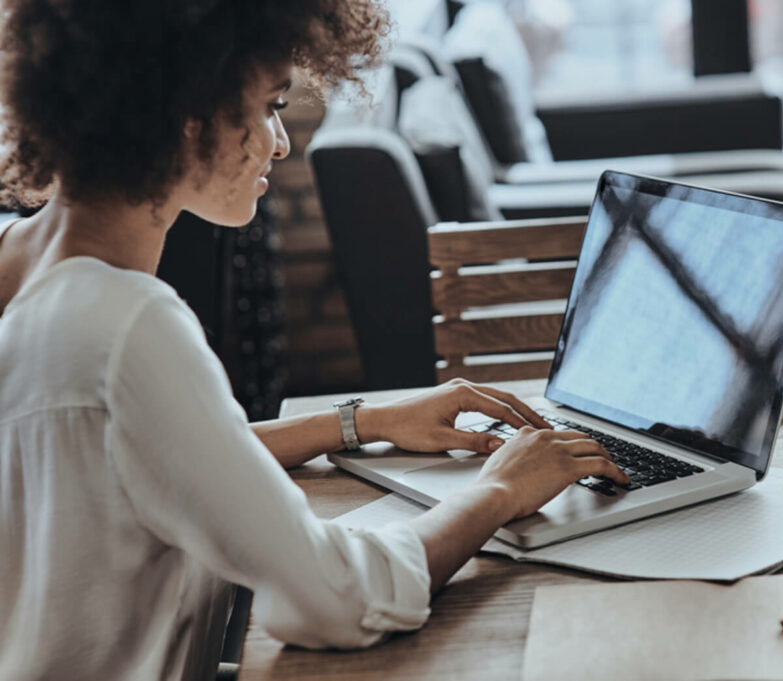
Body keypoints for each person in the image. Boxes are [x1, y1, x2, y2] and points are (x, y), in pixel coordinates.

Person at [0, 2, 628, 679]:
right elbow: (338, 599)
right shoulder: (128, 324)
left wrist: (360, 421)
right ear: (185, 113)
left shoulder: (23, 263)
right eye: (269, 105)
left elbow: (155, 451)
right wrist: (501, 489)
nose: (281, 141)